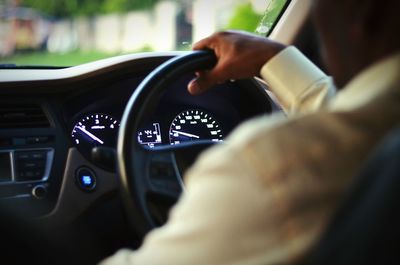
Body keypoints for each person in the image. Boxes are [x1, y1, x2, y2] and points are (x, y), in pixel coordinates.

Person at [100, 0, 400, 264]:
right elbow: (362, 117)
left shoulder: (266, 165)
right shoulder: (381, 128)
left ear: (364, 11)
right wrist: (275, 58)